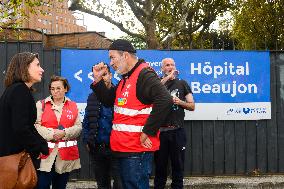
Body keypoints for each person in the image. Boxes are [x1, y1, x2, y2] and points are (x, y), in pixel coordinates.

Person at [91, 39, 173, 189]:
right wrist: (97, 80)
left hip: (135, 151)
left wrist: (148, 131)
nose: (110, 63)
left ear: (126, 56)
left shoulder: (144, 74)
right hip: (122, 148)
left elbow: (165, 100)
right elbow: (109, 101)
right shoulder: (126, 78)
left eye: (112, 57)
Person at [0, 52, 48, 169]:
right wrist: (36, 148)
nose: (42, 69)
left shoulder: (15, 89)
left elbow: (26, 126)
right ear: (24, 67)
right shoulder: (19, 91)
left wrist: (42, 144)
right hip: (15, 161)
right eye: (37, 65)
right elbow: (21, 128)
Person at [154, 58, 195, 189]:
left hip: (177, 131)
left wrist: (180, 102)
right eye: (167, 65)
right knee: (160, 167)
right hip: (160, 132)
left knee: (178, 165)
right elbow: (152, 92)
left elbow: (192, 105)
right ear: (162, 69)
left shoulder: (182, 83)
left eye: (172, 65)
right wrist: (167, 78)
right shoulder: (158, 83)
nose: (170, 67)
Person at [35, 76, 82, 189]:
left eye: (58, 88)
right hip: (46, 156)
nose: (55, 91)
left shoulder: (73, 106)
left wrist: (64, 133)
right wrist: (52, 134)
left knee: (60, 186)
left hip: (65, 156)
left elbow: (78, 128)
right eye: (52, 89)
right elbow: (36, 126)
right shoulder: (41, 105)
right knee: (42, 185)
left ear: (66, 89)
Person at [82, 63, 122, 189]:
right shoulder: (92, 96)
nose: (103, 78)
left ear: (111, 75)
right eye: (100, 75)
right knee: (102, 185)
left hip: (117, 149)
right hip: (98, 148)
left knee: (120, 184)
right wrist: (87, 140)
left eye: (105, 74)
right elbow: (87, 120)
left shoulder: (120, 94)